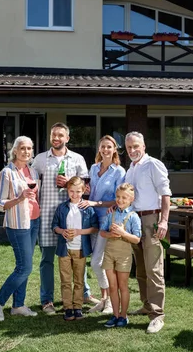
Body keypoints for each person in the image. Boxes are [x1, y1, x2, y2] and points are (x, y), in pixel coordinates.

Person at [32, 122, 89, 315]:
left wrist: (68, 184)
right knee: (47, 260)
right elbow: (31, 184)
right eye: (53, 135)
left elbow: (86, 188)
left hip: (73, 219)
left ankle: (84, 295)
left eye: (60, 135)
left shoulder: (77, 159)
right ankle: (47, 300)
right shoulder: (40, 160)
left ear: (67, 138)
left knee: (78, 258)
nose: (56, 138)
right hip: (48, 218)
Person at [124, 131, 171, 334]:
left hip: (151, 219)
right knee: (141, 268)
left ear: (143, 146)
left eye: (136, 146)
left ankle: (157, 315)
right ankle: (146, 305)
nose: (133, 150)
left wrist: (164, 221)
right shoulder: (131, 169)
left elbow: (165, 193)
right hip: (135, 219)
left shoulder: (153, 164)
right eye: (129, 148)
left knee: (154, 268)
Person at [0, 136, 40, 321]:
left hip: (33, 221)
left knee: (24, 266)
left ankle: (18, 305)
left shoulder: (33, 171)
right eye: (22, 148)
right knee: (25, 268)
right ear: (15, 151)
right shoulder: (7, 173)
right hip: (17, 224)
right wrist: (20, 198)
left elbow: (35, 196)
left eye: (29, 148)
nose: (26, 152)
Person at [83, 135, 125, 314]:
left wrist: (96, 203)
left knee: (96, 262)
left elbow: (119, 199)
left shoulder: (119, 172)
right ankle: (104, 300)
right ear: (99, 149)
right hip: (91, 218)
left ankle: (109, 302)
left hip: (107, 220)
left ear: (114, 149)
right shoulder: (93, 168)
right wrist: (87, 191)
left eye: (109, 147)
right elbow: (91, 192)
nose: (106, 150)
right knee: (99, 261)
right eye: (103, 147)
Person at [52, 177, 98, 321]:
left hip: (80, 249)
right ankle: (68, 308)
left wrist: (79, 232)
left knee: (79, 280)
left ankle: (77, 307)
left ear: (84, 191)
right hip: (64, 250)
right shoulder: (62, 208)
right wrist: (62, 231)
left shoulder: (87, 209)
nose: (75, 194)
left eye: (78, 191)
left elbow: (95, 228)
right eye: (71, 191)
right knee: (65, 280)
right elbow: (54, 226)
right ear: (67, 191)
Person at [100, 183, 141, 328]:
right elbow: (102, 232)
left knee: (123, 285)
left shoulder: (133, 217)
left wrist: (123, 233)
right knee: (112, 286)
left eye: (124, 197)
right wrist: (110, 233)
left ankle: (124, 316)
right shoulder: (111, 214)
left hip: (124, 255)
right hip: (109, 253)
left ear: (131, 199)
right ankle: (115, 315)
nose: (120, 200)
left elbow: (137, 239)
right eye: (118, 197)